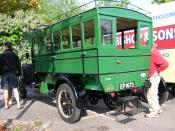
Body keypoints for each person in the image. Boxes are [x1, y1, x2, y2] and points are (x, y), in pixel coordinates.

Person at [145, 43, 169, 118]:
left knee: (150, 95)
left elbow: (165, 64)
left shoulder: (153, 52)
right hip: (154, 76)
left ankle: (153, 112)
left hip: (153, 76)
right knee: (154, 94)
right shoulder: (155, 51)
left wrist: (157, 71)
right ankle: (157, 108)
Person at [0, 42, 23, 109]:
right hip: (13, 74)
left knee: (5, 90)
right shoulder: (15, 55)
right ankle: (18, 105)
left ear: (5, 47)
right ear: (10, 47)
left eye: (4, 46)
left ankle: (6, 105)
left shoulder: (1, 55)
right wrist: (19, 73)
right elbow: (18, 65)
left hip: (4, 75)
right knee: (15, 89)